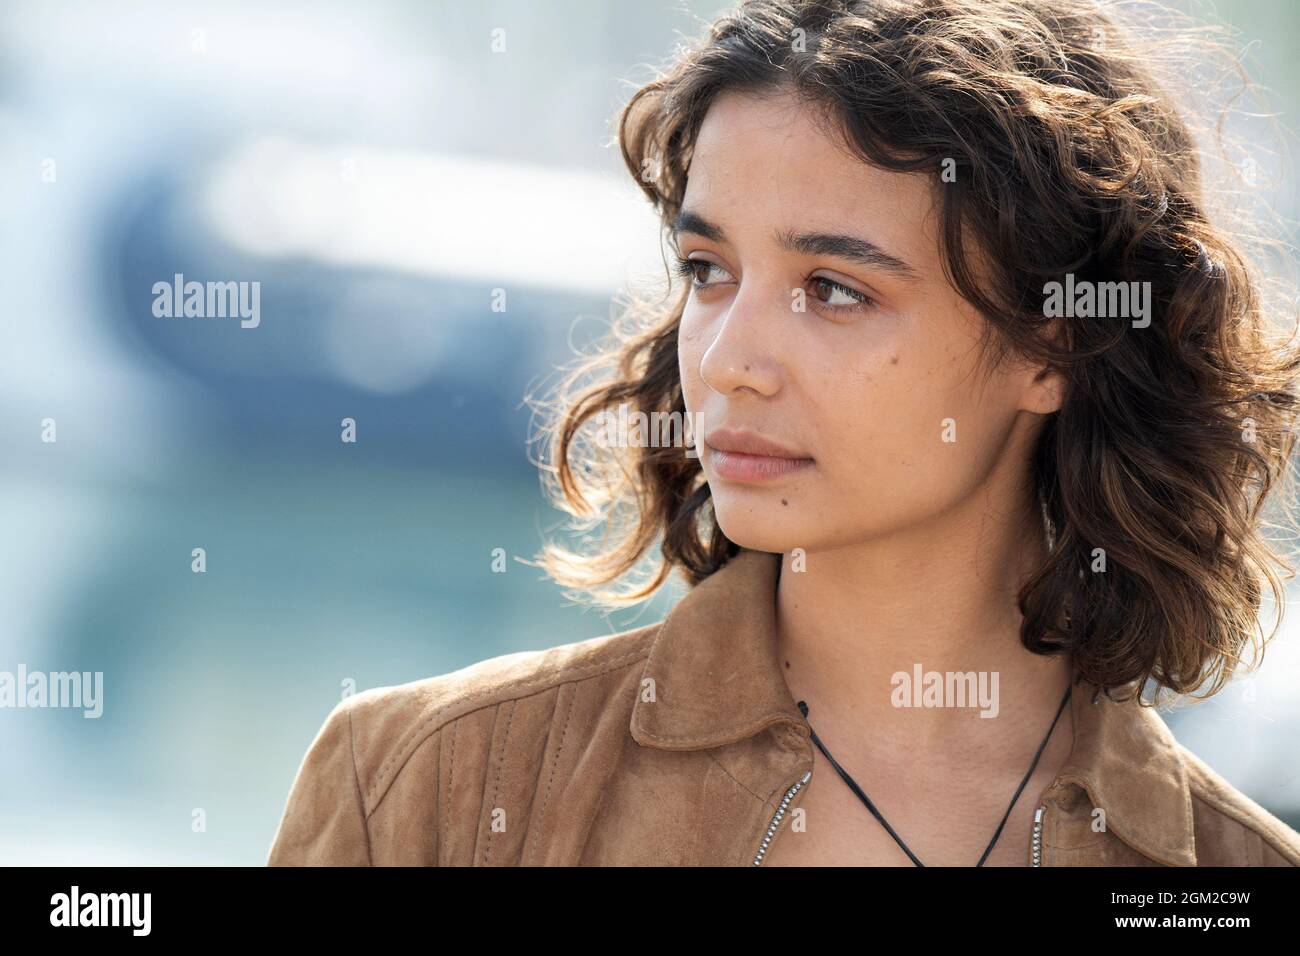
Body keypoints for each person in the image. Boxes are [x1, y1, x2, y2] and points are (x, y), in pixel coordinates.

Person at [268, 0, 1300, 866]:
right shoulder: (426, 788)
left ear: (1053, 346)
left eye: (833, 289)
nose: (723, 359)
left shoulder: (1220, 869)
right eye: (708, 271)